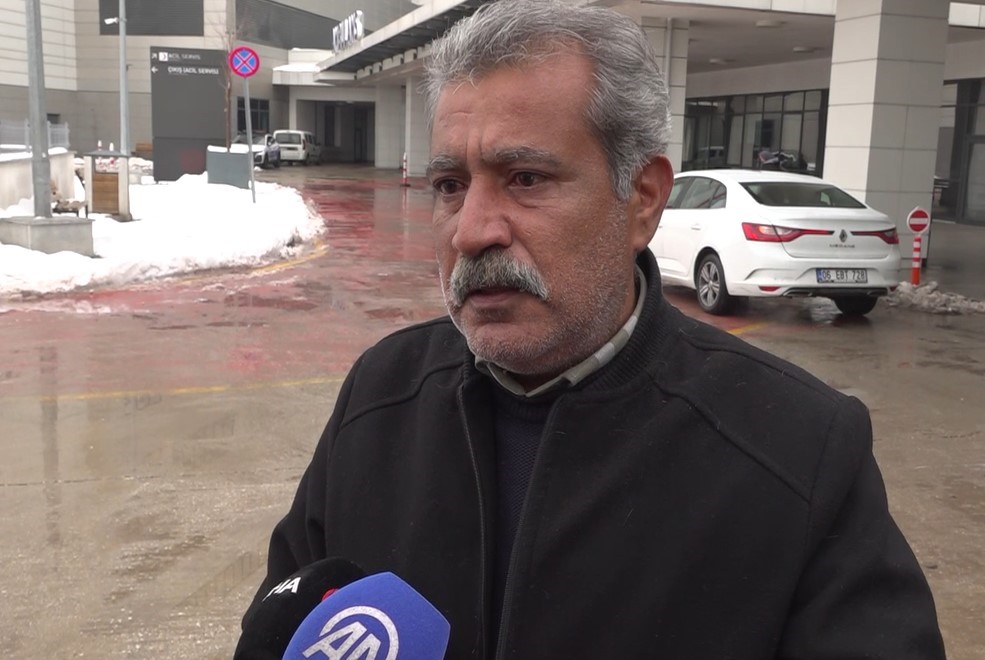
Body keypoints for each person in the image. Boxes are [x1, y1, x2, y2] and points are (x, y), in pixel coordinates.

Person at [241, 1, 946, 657]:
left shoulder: (799, 447)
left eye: (525, 178)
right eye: (450, 185)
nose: (471, 231)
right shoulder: (380, 392)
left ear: (642, 199)